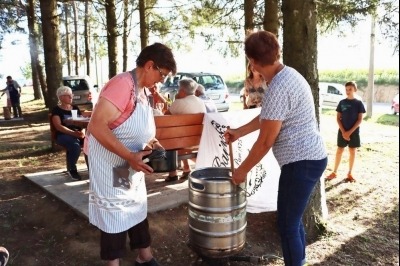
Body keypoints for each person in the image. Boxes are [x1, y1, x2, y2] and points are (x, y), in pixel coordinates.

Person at [224, 31, 327, 266]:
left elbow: (265, 141)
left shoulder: (279, 86)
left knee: (287, 224)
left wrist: (242, 170)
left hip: (301, 162)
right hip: (311, 158)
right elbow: (269, 115)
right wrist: (239, 132)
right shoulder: (287, 75)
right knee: (293, 220)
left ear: (253, 62)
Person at [85, 42, 176, 266]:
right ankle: (112, 262)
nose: (161, 81)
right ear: (149, 65)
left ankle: (144, 256)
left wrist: (152, 142)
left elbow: (137, 126)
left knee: (134, 203)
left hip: (126, 160)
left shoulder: (144, 91)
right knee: (115, 210)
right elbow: (97, 126)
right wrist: (128, 156)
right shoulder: (122, 85)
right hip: (108, 161)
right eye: (161, 74)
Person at [164, 79, 206, 182]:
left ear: (182, 91)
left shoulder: (179, 103)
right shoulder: (201, 102)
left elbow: (165, 117)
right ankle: (186, 168)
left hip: (182, 141)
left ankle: (173, 173)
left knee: (169, 138)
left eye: (179, 89)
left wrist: (176, 100)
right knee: (180, 137)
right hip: (198, 139)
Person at [326, 81, 366, 182]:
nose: (348, 91)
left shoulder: (358, 103)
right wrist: (344, 132)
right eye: (346, 89)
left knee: (352, 151)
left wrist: (349, 132)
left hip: (354, 132)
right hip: (342, 131)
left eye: (350, 89)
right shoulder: (342, 102)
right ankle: (334, 172)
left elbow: (360, 119)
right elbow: (338, 118)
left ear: (355, 90)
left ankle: (350, 173)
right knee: (339, 150)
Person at [51, 86, 86, 181]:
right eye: (69, 95)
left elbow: (82, 122)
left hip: (77, 133)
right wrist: (73, 133)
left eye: (72, 95)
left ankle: (92, 168)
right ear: (61, 97)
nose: (71, 97)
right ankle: (72, 169)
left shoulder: (75, 108)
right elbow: (58, 126)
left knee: (92, 143)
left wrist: (82, 132)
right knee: (75, 146)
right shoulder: (56, 110)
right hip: (63, 135)